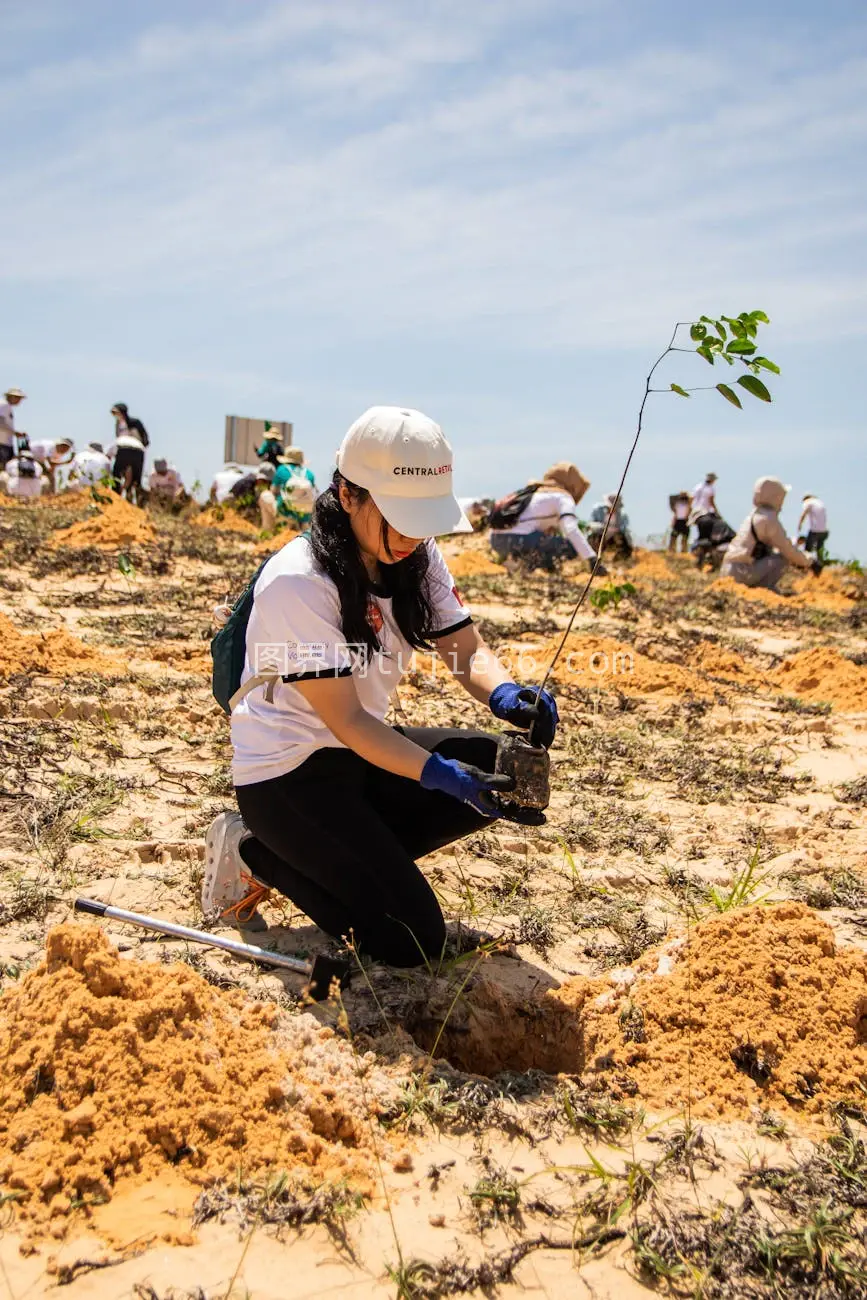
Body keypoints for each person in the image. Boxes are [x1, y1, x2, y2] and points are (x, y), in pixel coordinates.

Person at [202, 405, 560, 967]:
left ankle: (354, 859)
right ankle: (257, 851)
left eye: (423, 521)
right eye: (400, 517)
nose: (413, 538)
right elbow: (348, 721)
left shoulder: (415, 554)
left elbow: (464, 649)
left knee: (504, 769)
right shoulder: (300, 580)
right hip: (289, 775)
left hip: (359, 759)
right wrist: (438, 774)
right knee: (410, 940)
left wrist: (506, 694)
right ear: (349, 495)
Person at [489, 463, 595, 572]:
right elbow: (571, 529)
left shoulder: (534, 493)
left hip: (496, 541)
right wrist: (592, 559)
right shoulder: (563, 497)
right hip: (520, 541)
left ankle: (524, 563)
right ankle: (527, 565)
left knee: (547, 541)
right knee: (569, 546)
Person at [721, 476, 816, 591]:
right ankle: (764, 588)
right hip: (743, 573)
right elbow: (788, 549)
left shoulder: (753, 515)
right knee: (782, 558)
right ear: (776, 497)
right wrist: (809, 561)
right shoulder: (769, 519)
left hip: (729, 570)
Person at [108, 404, 148, 503]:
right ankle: (116, 500)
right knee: (118, 476)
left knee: (135, 479)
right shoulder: (118, 425)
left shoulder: (134, 422)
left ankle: (136, 502)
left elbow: (145, 438)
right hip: (123, 449)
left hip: (136, 449)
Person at [273, 447, 318, 528]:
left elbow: (273, 490)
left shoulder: (282, 469)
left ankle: (269, 530)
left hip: (285, 512)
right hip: (305, 515)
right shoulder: (309, 474)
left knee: (265, 496)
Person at [588, 492, 632, 559]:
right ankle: (593, 557)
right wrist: (602, 527)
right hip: (600, 537)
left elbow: (625, 530)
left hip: (613, 539)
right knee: (594, 536)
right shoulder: (598, 510)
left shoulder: (623, 516)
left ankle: (620, 559)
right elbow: (590, 524)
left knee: (623, 539)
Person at [0, 387, 26, 468]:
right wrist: (15, 433)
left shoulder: (7, 406)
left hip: (5, 443)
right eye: (17, 397)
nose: (19, 400)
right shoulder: (4, 405)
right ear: (10, 396)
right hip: (2, 443)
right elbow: (1, 423)